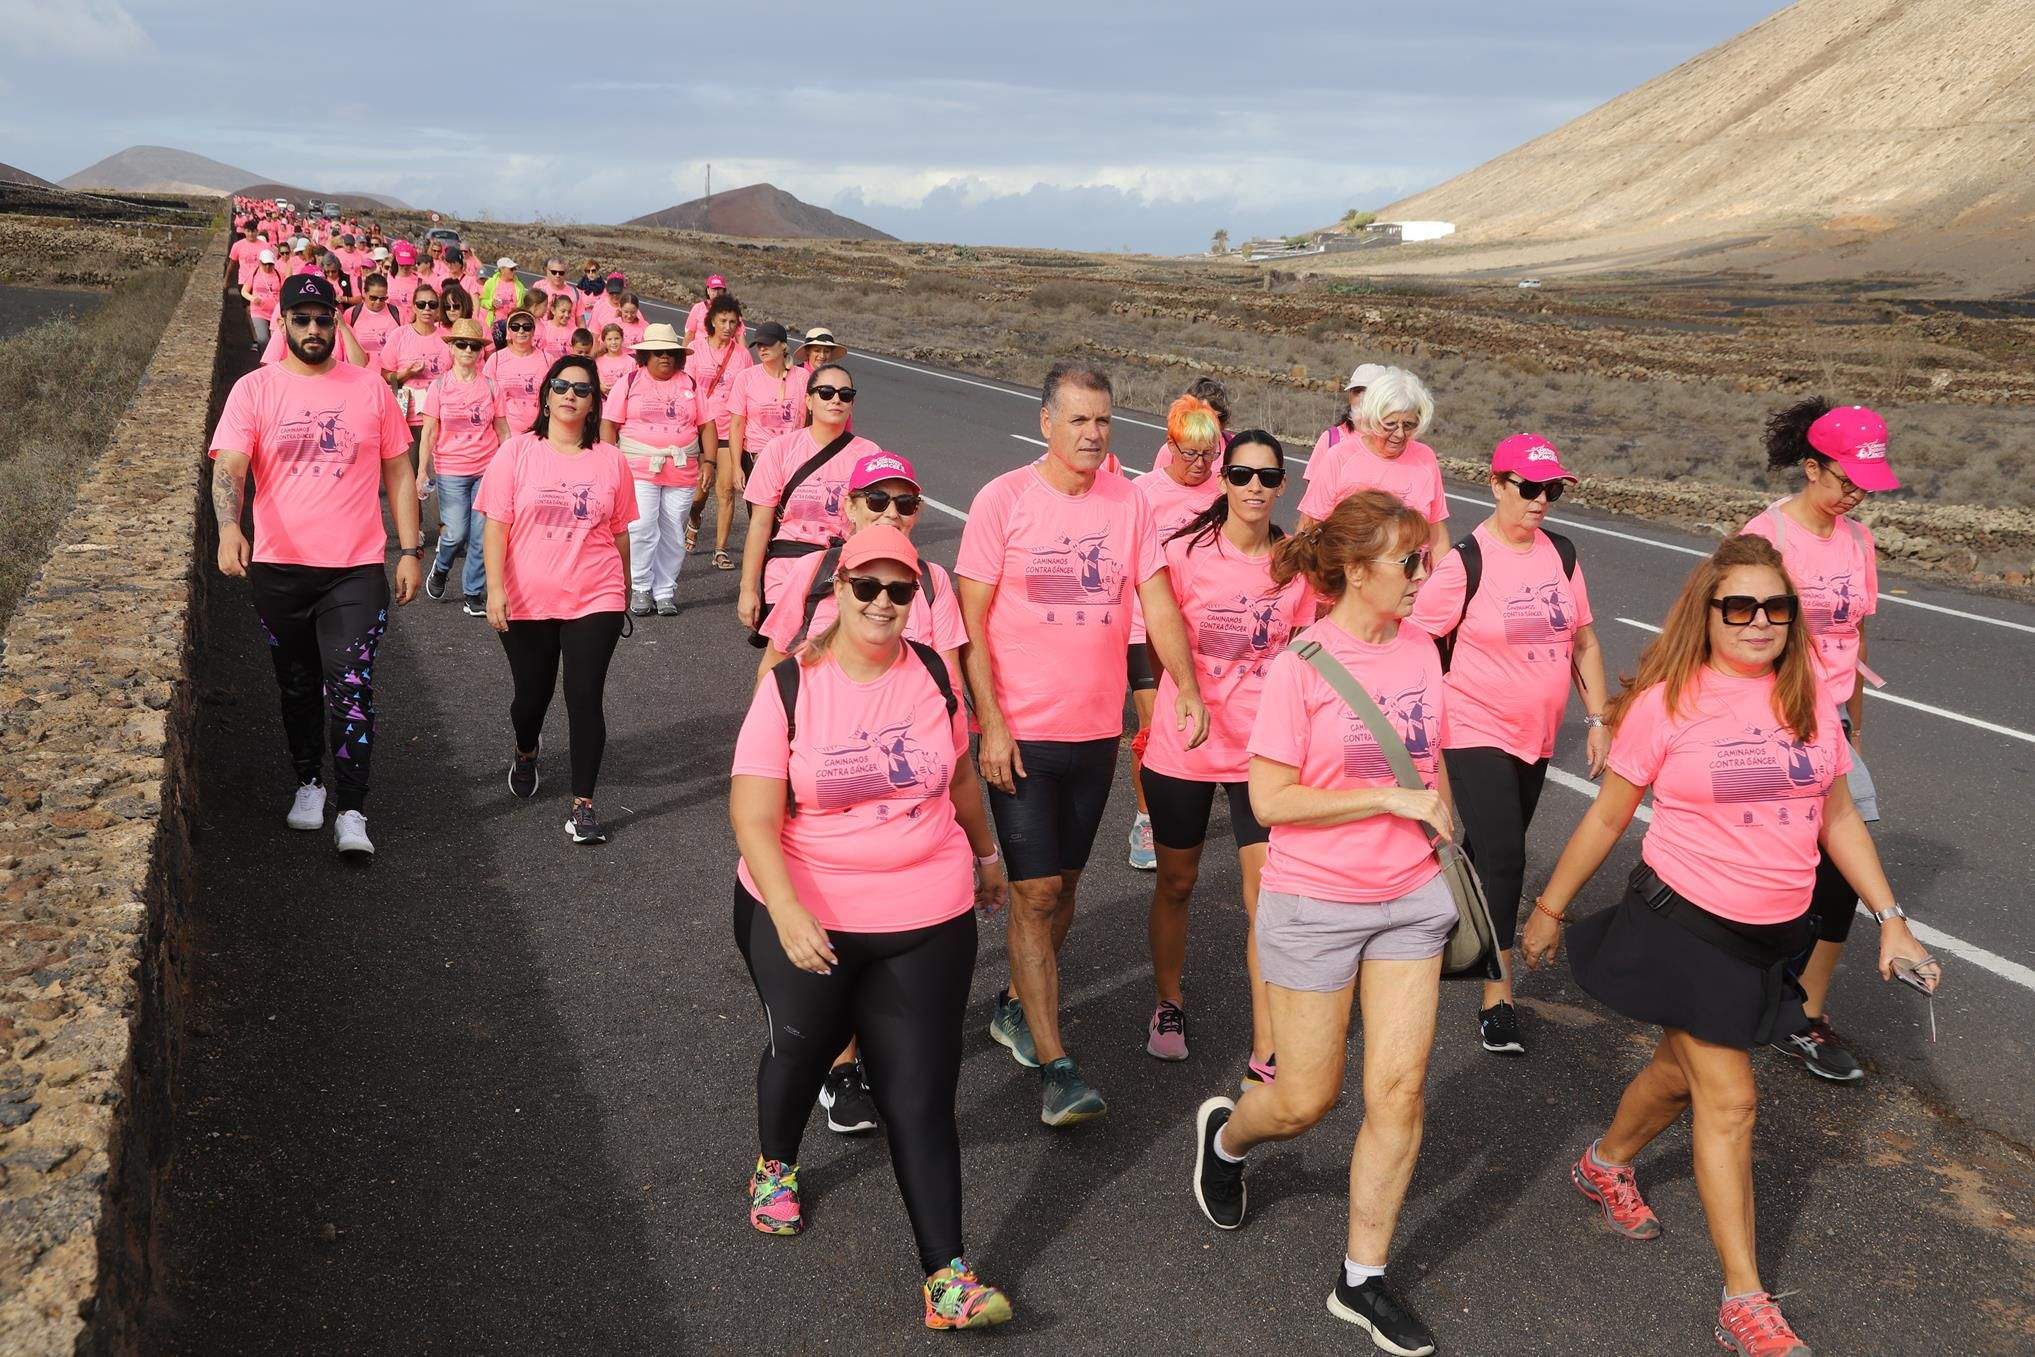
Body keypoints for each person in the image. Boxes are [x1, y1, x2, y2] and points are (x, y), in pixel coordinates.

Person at [1518, 533, 1938, 1357]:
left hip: (1769, 934)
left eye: (1773, 607)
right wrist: (1549, 907)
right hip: (1685, 922)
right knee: (1731, 1099)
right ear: (1706, 613)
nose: (1757, 621)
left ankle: (1604, 1163)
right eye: (1737, 606)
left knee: (1679, 1072)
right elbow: (1608, 815)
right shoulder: (1668, 701)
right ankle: (1742, 1299)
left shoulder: (1810, 697)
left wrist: (1891, 917)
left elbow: (1838, 815)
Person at [729, 524, 1013, 1331]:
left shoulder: (929, 671)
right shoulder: (789, 685)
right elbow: (752, 813)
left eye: (900, 589)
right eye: (868, 587)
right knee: (802, 1045)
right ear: (837, 589)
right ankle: (774, 1163)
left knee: (920, 1091)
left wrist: (986, 853)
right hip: (805, 910)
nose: (884, 603)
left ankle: (945, 1277)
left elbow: (957, 772)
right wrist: (785, 910)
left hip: (926, 912)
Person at [1189, 489, 1453, 1357]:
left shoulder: (1420, 650)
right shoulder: (1302, 664)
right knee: (1305, 1099)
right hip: (1315, 902)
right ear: (1354, 571)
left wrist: (1440, 828)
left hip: (1411, 895)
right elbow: (1268, 798)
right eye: (1408, 561)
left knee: (1399, 1091)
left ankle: (1361, 1279)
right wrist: (1382, 795)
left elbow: (1429, 755)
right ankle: (1228, 1139)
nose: (1425, 572)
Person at [956, 362, 1209, 1127]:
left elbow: (1157, 601)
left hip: (1095, 730)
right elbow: (970, 624)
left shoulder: (1128, 502)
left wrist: (1186, 687)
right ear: (1045, 423)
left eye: (1103, 420)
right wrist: (990, 720)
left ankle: (1012, 1005)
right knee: (1032, 892)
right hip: (1022, 731)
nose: (1094, 434)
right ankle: (1057, 1066)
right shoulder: (1002, 500)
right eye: (1078, 420)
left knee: (1062, 887)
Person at [754, 450, 965, 1134]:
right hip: (826, 777)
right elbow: (775, 670)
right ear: (846, 509)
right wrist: (774, 765)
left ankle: (868, 1048)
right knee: (827, 962)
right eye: (876, 501)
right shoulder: (817, 575)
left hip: (907, 777)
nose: (891, 514)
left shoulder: (930, 584)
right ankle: (839, 1065)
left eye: (905, 503)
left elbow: (949, 679)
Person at [1407, 433, 1609, 1058]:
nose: (1540, 502)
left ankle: (1424, 933)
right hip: (1473, 725)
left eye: (1551, 490)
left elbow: (1583, 643)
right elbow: (1413, 642)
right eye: (1527, 489)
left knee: (1479, 852)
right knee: (1505, 857)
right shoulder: (1467, 561)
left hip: (1535, 735)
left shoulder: (1563, 554)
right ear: (1496, 485)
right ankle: (1499, 995)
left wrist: (1598, 717)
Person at [208, 275, 422, 860]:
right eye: (299, 319)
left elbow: (399, 472)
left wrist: (409, 549)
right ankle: (309, 782)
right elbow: (229, 467)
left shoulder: (369, 389)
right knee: (297, 685)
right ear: (282, 323)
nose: (311, 329)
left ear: (336, 323)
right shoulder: (254, 390)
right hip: (281, 567)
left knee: (351, 685)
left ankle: (352, 809)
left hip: (354, 568)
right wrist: (230, 526)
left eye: (322, 319)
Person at [1139, 431, 1313, 1079]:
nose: (1253, 488)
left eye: (1266, 478)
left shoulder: (1294, 562)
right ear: (1222, 479)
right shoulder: (1185, 551)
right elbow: (1157, 630)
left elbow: (1304, 651)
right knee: (1177, 882)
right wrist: (1179, 691)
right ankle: (1167, 1001)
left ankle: (1266, 1043)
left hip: (1260, 752)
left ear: (1281, 487)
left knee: (1264, 893)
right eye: (1240, 474)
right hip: (1185, 740)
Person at [1745, 400, 1900, 1084]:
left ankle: (1804, 1010)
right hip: (1770, 719)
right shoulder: (1767, 535)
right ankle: (1751, 989)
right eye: (1845, 480)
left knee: (1840, 867)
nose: (1854, 493)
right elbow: (1731, 636)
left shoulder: (1858, 542)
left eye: (1865, 483)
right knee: (1778, 868)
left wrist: (1852, 724)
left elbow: (1853, 639)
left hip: (1830, 722)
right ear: (1810, 467)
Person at [480, 354, 636, 846]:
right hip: (527, 595)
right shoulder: (517, 452)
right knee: (532, 696)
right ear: (546, 394)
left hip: (596, 593)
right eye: (562, 385)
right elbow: (496, 525)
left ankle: (583, 806)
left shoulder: (611, 459)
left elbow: (619, 532)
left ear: (594, 404)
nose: (571, 394)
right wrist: (496, 589)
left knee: (584, 695)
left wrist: (624, 590)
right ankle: (527, 750)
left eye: (583, 389)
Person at [1124, 396, 1226, 871]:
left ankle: (1194, 803)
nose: (1200, 464)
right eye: (1190, 453)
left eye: (1209, 454)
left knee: (1204, 722)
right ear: (1170, 446)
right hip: (1147, 629)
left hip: (1205, 635)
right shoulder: (1142, 493)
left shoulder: (1223, 493)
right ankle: (1146, 819)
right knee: (1154, 727)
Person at [738, 365, 881, 637]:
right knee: (785, 656)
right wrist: (748, 589)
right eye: (825, 392)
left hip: (842, 569)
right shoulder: (780, 449)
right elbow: (760, 524)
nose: (835, 399)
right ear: (808, 400)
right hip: (787, 568)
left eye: (845, 394)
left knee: (829, 658)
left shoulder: (868, 454)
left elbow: (876, 524)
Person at [1297, 367, 1451, 564]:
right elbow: (1309, 527)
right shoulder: (1340, 457)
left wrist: (1442, 585)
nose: (1400, 434)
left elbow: (1436, 530)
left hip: (1410, 582)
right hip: (1348, 581)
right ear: (1372, 418)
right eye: (1390, 424)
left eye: (1409, 425)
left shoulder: (1425, 458)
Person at [601, 323, 703, 616]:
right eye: (658, 353)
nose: (665, 358)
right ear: (645, 356)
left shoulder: (690, 384)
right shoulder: (630, 381)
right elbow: (610, 423)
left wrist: (708, 462)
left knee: (672, 530)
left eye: (671, 352)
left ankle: (665, 590)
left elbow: (705, 424)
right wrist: (610, 461)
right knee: (642, 526)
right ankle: (642, 587)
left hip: (681, 469)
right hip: (639, 466)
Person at [418, 318, 511, 616]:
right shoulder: (440, 386)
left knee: (483, 535)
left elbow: (503, 430)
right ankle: (442, 567)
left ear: (480, 351)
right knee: (456, 532)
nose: (468, 350)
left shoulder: (491, 386)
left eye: (474, 345)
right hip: (451, 469)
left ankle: (473, 592)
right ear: (452, 349)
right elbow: (429, 432)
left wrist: (508, 467)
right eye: (462, 344)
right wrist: (422, 471)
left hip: (487, 468)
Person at [719, 322, 808, 570]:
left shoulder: (802, 379)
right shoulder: (746, 378)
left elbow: (811, 420)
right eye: (759, 345)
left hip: (793, 459)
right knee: (761, 521)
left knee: (790, 521)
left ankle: (788, 571)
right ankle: (765, 575)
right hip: (756, 458)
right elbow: (736, 425)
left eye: (768, 344)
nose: (763, 349)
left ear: (783, 346)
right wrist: (737, 466)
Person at [686, 293, 753, 553]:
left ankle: (720, 549)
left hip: (727, 429)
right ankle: (694, 515)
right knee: (701, 487)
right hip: (701, 427)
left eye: (733, 323)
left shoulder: (742, 356)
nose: (728, 327)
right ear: (712, 320)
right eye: (723, 321)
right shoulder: (696, 349)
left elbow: (747, 393)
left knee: (725, 490)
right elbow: (688, 388)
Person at [379, 282, 453, 439]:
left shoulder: (447, 338)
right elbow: (385, 374)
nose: (427, 308)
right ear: (413, 307)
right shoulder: (399, 335)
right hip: (408, 416)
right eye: (421, 304)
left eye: (432, 304)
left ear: (438, 308)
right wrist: (405, 374)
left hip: (440, 417)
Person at [485, 308, 550, 436]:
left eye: (526, 326)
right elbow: (485, 396)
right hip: (506, 433)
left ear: (533, 330)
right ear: (508, 331)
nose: (521, 331)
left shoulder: (548, 359)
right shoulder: (496, 360)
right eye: (515, 327)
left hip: (539, 431)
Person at [241, 248, 283, 351]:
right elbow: (244, 291)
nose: (268, 267)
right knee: (263, 339)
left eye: (270, 264)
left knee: (276, 340)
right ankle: (264, 361)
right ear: (260, 262)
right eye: (265, 264)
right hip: (259, 311)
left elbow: (284, 292)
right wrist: (252, 298)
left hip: (275, 313)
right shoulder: (254, 274)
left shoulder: (279, 275)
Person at [482, 257, 524, 344]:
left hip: (513, 325)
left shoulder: (519, 286)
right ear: (502, 269)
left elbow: (522, 306)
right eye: (511, 269)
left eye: (515, 269)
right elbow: (482, 301)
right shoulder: (490, 283)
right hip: (495, 324)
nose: (514, 271)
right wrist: (491, 303)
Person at [685, 272, 728, 347]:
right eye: (713, 289)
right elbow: (689, 334)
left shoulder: (731, 311)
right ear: (708, 290)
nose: (717, 293)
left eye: (719, 289)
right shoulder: (698, 308)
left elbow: (739, 336)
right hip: (699, 352)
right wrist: (683, 356)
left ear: (724, 291)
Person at [536, 290, 580, 362]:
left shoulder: (573, 330)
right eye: (563, 311)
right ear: (553, 310)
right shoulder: (543, 326)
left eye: (569, 312)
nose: (566, 315)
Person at [227, 218, 266, 294]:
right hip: (243, 280)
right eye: (248, 231)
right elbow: (232, 264)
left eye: (253, 231)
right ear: (244, 231)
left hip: (260, 281)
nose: (251, 234)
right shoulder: (237, 245)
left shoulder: (265, 246)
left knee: (257, 304)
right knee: (246, 305)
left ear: (257, 232)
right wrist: (226, 279)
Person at [594, 324, 634, 396]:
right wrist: (600, 387)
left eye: (616, 338)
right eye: (609, 339)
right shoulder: (598, 361)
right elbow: (593, 381)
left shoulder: (631, 361)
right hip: (604, 402)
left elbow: (634, 384)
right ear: (604, 341)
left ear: (622, 339)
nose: (613, 342)